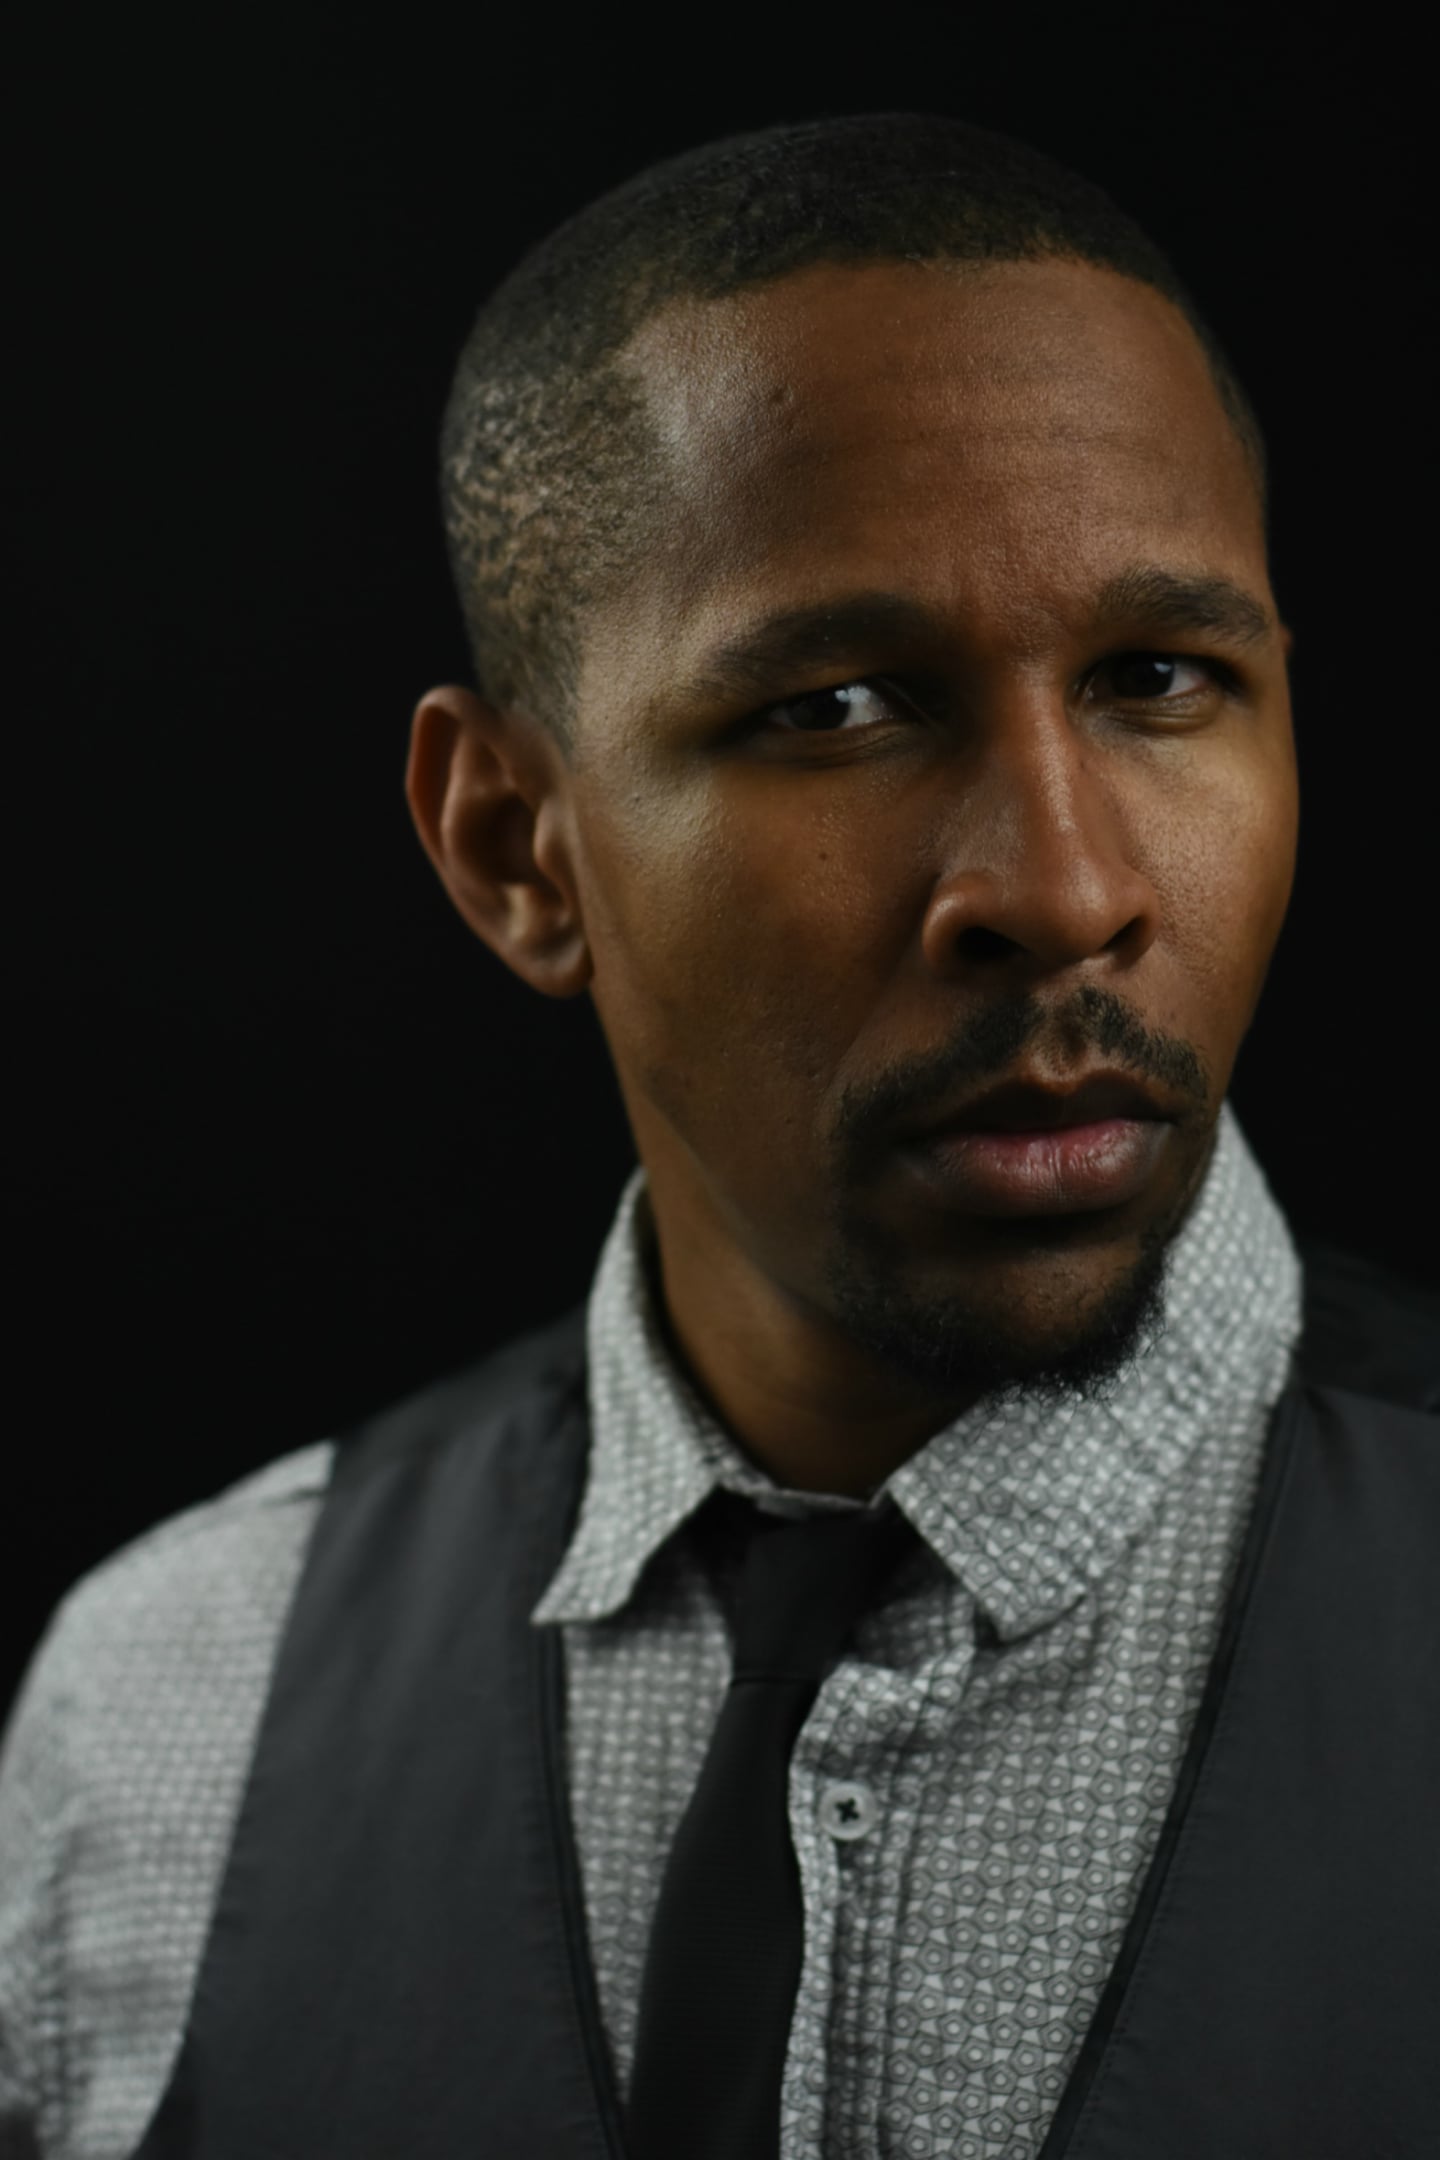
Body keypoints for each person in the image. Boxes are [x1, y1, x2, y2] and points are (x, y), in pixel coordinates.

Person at [1, 111, 1436, 2160]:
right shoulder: (165, 1711)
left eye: (1156, 676)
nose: (1063, 886)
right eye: (836, 707)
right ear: (516, 847)